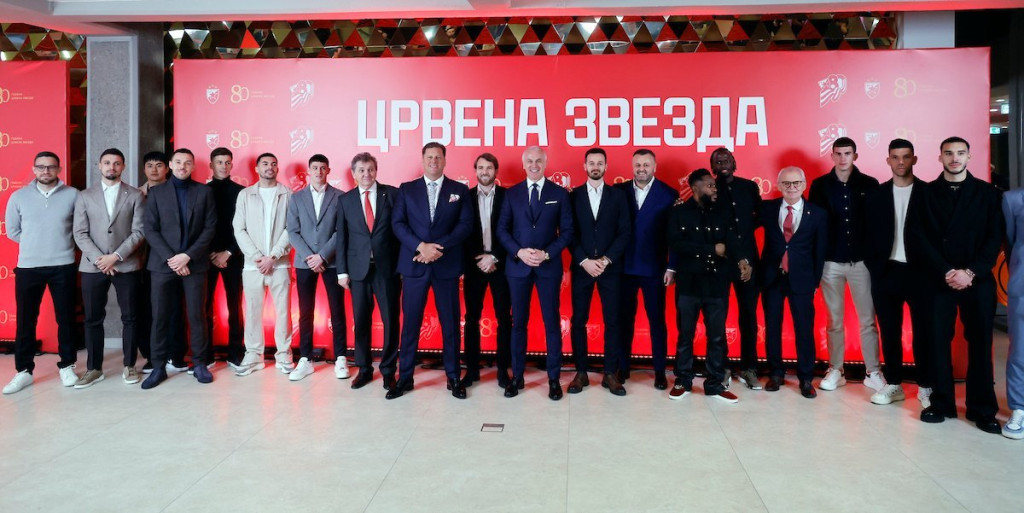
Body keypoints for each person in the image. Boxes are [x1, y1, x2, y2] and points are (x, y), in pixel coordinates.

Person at [907, 137, 1003, 434]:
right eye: (948, 153)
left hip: (978, 279)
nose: (954, 158)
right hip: (939, 278)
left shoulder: (988, 193)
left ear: (969, 156)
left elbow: (994, 237)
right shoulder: (925, 193)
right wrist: (947, 270)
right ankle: (941, 403)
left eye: (960, 152)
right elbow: (917, 236)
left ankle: (982, 409)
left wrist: (970, 272)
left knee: (981, 343)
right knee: (937, 341)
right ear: (940, 158)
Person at [388, 142, 472, 399]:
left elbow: (465, 225)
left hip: (446, 265)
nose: (434, 161)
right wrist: (421, 247)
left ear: (444, 160)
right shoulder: (407, 189)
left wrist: (437, 248)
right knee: (410, 324)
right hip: (415, 264)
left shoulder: (459, 190)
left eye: (438, 157)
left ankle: (453, 377)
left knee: (450, 324)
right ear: (423, 160)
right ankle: (405, 378)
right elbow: (398, 223)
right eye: (429, 157)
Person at [496, 146, 573, 400]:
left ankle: (554, 378)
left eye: (538, 160)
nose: (534, 164)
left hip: (548, 268)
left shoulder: (559, 194)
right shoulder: (512, 194)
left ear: (545, 162)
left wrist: (546, 254)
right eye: (529, 160)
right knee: (518, 323)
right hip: (518, 268)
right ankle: (517, 377)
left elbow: (568, 232)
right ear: (523, 164)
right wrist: (519, 252)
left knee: (551, 323)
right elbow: (502, 230)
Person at [808, 137, 884, 392]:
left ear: (855, 155)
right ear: (832, 155)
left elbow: (877, 223)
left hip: (862, 262)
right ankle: (836, 369)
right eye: (838, 153)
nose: (843, 158)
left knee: (868, 320)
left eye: (847, 153)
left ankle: (873, 371)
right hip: (830, 263)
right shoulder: (820, 185)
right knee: (834, 320)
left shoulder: (869, 184)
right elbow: (814, 225)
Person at [2, 151, 80, 394]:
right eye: (41, 167)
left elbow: (80, 229)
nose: (46, 171)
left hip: (63, 265)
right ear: (34, 169)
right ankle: (23, 371)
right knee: (26, 320)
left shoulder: (73, 195)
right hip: (29, 267)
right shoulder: (19, 196)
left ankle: (67, 365)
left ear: (59, 169)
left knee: (66, 318)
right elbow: (12, 230)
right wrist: (36, 243)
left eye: (51, 167)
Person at [667, 169, 747, 403]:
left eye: (714, 185)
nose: (714, 189)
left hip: (717, 283)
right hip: (689, 284)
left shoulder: (723, 212)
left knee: (717, 337)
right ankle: (683, 380)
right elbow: (676, 244)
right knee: (685, 335)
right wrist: (712, 250)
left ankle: (714, 384)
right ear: (695, 188)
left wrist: (742, 260)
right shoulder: (678, 213)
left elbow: (732, 240)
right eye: (710, 185)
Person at [140, 148, 217, 389]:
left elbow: (209, 228)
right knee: (160, 317)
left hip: (195, 264)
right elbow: (150, 229)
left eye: (188, 162)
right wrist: (172, 258)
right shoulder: (156, 193)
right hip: (162, 265)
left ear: (193, 166)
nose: (183, 166)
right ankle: (159, 367)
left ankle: (200, 364)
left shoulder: (204, 192)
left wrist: (187, 256)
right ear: (171, 165)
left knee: (197, 316)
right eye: (178, 162)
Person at [863, 139, 931, 406]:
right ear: (888, 160)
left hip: (920, 273)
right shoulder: (876, 194)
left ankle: (926, 385)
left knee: (923, 332)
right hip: (885, 271)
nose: (900, 162)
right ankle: (893, 384)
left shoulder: (928, 192)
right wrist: (874, 265)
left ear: (914, 159)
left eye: (906, 156)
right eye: (895, 157)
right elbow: (866, 232)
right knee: (890, 331)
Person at [71, 148, 145, 388]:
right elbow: (80, 233)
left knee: (130, 317)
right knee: (93, 318)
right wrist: (100, 259)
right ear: (99, 166)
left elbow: (139, 231)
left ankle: (130, 365)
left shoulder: (135, 195)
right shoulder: (84, 196)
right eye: (107, 163)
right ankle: (94, 368)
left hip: (126, 264)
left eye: (116, 163)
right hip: (93, 267)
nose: (111, 167)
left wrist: (115, 256)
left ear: (123, 166)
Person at [759, 166, 827, 398]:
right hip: (772, 278)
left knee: (804, 329)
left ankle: (806, 378)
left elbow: (820, 251)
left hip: (802, 280)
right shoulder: (767, 209)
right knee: (772, 328)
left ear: (804, 185)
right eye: (786, 183)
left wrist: (815, 282)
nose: (791, 187)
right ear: (779, 186)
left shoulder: (817, 214)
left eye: (796, 183)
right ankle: (776, 373)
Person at [567, 148, 631, 396]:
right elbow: (568, 232)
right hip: (582, 267)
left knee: (612, 321)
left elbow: (625, 232)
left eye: (600, 163)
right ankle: (581, 372)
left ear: (606, 166)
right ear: (585, 166)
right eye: (591, 163)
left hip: (610, 268)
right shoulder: (573, 196)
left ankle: (610, 373)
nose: (595, 166)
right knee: (579, 321)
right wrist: (584, 260)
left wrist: (605, 260)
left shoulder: (618, 196)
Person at [613, 149, 677, 390]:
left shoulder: (669, 194)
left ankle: (660, 371)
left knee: (657, 321)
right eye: (638, 164)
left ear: (654, 167)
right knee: (623, 321)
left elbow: (674, 234)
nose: (641, 169)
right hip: (624, 268)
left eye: (646, 164)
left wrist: (672, 266)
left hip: (655, 269)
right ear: (632, 166)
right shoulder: (618, 191)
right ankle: (623, 367)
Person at [336, 152, 400, 390]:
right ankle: (364, 369)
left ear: (376, 170)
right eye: (361, 170)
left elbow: (400, 232)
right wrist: (342, 272)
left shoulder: (392, 194)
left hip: (387, 270)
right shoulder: (345, 200)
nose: (366, 174)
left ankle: (388, 370)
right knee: (361, 321)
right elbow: (342, 238)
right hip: (358, 271)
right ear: (354, 174)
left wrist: (402, 266)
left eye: (370, 169)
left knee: (390, 321)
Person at [231, 153, 293, 377]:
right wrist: (257, 256)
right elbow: (239, 228)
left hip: (280, 264)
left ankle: (284, 354)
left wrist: (273, 256)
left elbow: (291, 227)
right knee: (252, 311)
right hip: (253, 265)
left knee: (283, 312)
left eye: (274, 164)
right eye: (265, 164)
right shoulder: (245, 195)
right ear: (257, 169)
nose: (270, 167)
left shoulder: (288, 194)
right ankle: (254, 355)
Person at [287, 153, 347, 382]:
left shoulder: (340, 197)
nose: (319, 172)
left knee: (337, 310)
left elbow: (341, 231)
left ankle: (341, 357)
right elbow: (293, 231)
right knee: (305, 312)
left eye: (323, 168)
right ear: (308, 171)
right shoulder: (296, 198)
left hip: (332, 261)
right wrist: (310, 257)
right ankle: (305, 359)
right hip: (304, 263)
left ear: (328, 170)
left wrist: (322, 256)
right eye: (315, 168)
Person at [709, 147, 761, 390]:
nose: (723, 165)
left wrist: (744, 235)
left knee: (748, 315)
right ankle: (723, 367)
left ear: (734, 162)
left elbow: (760, 215)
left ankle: (750, 367)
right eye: (718, 162)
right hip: (720, 261)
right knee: (718, 316)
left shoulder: (749, 187)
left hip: (748, 260)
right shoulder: (709, 189)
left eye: (726, 160)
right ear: (713, 167)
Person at [461, 153, 513, 388]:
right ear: (475, 171)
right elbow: (462, 232)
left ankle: (503, 371)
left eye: (489, 168)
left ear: (496, 171)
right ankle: (471, 370)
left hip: (501, 265)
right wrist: (480, 258)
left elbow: (512, 230)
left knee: (504, 319)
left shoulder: (508, 196)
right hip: (474, 266)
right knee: (471, 319)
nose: (485, 172)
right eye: (480, 167)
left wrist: (494, 257)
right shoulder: (465, 197)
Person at [136, 151, 183, 373]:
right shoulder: (135, 194)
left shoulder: (177, 191)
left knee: (174, 308)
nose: (154, 170)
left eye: (159, 165)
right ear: (144, 169)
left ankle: (175, 353)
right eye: (149, 165)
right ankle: (151, 355)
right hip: (142, 259)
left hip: (172, 259)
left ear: (167, 168)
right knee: (147, 309)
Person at [204, 147, 245, 371]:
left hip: (234, 256)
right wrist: (211, 253)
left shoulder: (242, 192)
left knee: (235, 306)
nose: (223, 166)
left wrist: (228, 252)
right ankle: (206, 354)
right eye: (219, 162)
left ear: (232, 165)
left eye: (227, 162)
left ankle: (236, 353)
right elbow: (199, 226)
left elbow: (246, 227)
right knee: (204, 307)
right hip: (206, 257)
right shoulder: (201, 191)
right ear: (211, 165)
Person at [1001, 186, 1024, 439]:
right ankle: (1019, 408)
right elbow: (1010, 242)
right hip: (1022, 286)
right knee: (1019, 350)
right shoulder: (1013, 200)